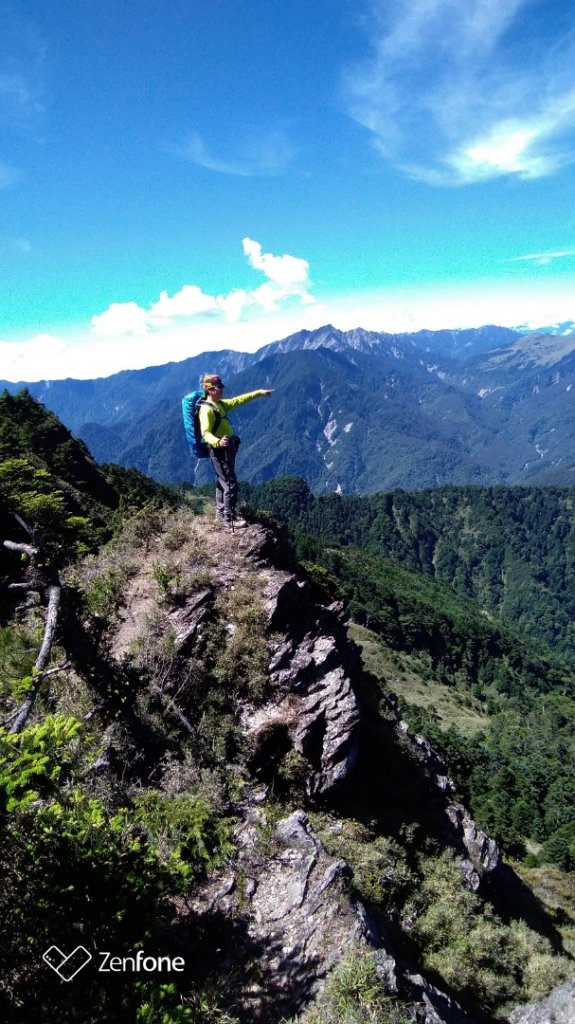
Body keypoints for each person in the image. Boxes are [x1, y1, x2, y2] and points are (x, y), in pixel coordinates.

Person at [198, 374, 274, 529]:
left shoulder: (220, 404)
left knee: (222, 482)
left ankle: (220, 514)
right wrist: (218, 442)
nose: (222, 390)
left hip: (228, 448)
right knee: (230, 484)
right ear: (210, 390)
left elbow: (239, 400)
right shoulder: (207, 410)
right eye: (219, 388)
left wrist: (259, 392)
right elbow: (205, 433)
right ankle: (229, 519)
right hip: (220, 450)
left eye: (222, 387)